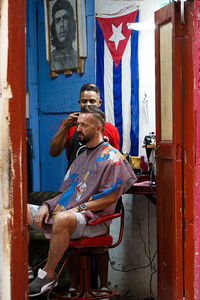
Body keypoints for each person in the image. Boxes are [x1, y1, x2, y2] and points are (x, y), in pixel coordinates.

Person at [28, 105, 136, 297]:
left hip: (93, 221)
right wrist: (46, 205)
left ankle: (47, 275)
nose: (78, 130)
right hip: (68, 214)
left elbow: (110, 197)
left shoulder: (112, 158)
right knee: (17, 210)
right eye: (78, 125)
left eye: (84, 126)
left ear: (98, 128)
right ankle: (24, 268)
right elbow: (65, 192)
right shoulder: (80, 157)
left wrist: (78, 209)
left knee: (62, 219)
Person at [49, 83, 120, 292]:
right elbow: (53, 151)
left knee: (100, 244)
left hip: (100, 193)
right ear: (78, 103)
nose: (87, 104)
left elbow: (114, 163)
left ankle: (104, 286)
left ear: (99, 103)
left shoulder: (110, 130)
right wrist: (64, 127)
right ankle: (73, 287)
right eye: (84, 101)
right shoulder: (71, 127)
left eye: (92, 101)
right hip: (75, 193)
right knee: (68, 235)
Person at [50, 0, 78, 71]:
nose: (62, 25)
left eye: (65, 18)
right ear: (54, 27)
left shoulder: (77, 57)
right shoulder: (50, 59)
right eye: (58, 20)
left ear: (71, 23)